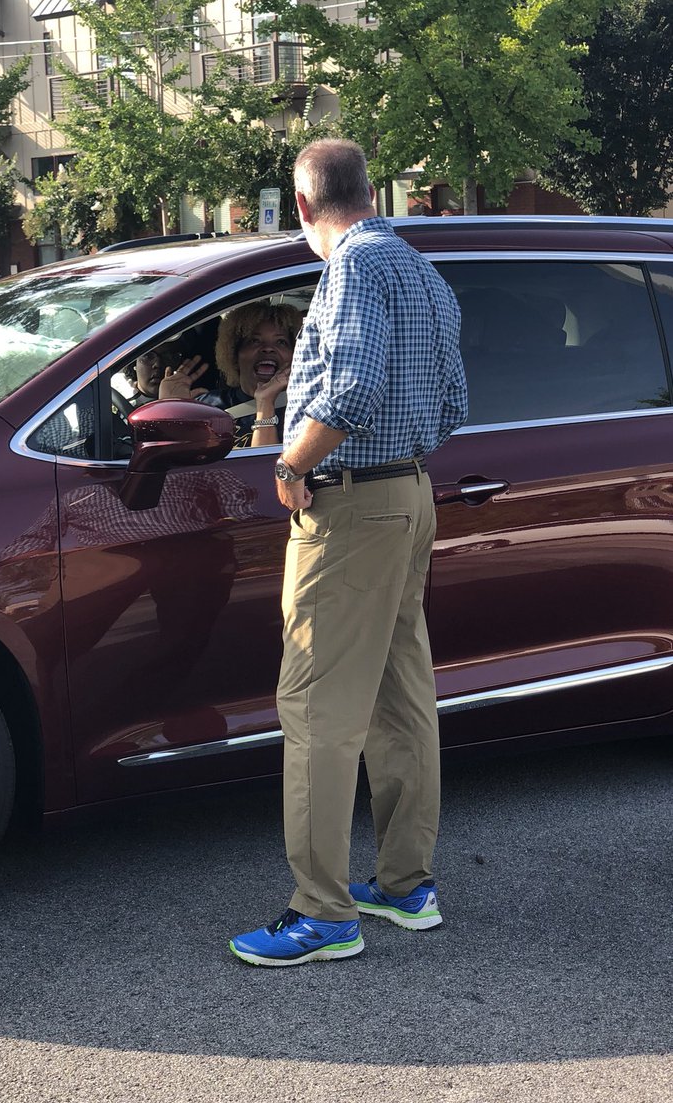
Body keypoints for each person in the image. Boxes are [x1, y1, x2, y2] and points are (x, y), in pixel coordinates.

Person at [229, 138, 468, 967]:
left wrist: (293, 463)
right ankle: (407, 885)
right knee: (402, 696)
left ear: (301, 206)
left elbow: (354, 387)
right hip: (409, 493)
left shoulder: (352, 271)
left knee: (317, 709)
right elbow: (454, 403)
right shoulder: (422, 272)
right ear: (370, 191)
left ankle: (322, 913)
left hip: (351, 502)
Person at [159, 301, 301, 448]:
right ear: (234, 353)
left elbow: (267, 470)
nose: (268, 348)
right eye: (254, 340)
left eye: (281, 342)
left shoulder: (303, 409)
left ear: (295, 354)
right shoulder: (206, 407)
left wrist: (266, 403)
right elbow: (176, 463)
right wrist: (169, 411)